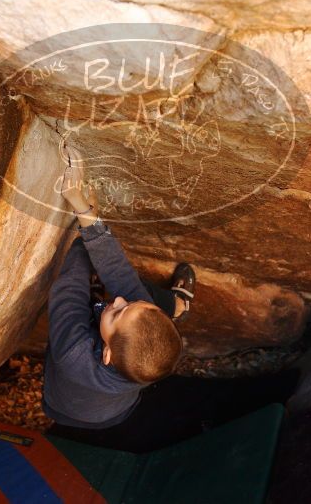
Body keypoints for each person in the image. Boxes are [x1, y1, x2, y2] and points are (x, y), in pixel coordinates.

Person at [40, 163, 196, 431]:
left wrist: (82, 234)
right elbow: (121, 277)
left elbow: (70, 286)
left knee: (101, 295)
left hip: (60, 406)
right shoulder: (148, 363)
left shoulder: (73, 351)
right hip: (115, 412)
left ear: (107, 353)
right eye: (135, 305)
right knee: (133, 288)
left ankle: (172, 307)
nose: (121, 300)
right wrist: (88, 215)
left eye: (118, 312)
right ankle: (177, 307)